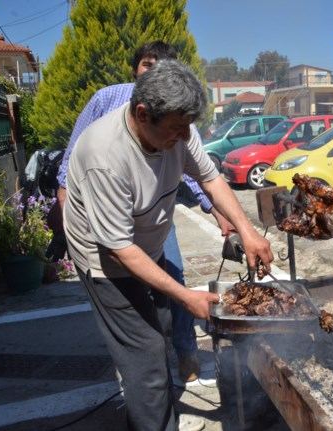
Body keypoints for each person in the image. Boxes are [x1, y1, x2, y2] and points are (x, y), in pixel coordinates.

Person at [63, 58, 273, 431]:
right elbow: (119, 249)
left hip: (148, 245)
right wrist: (185, 295)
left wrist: (248, 230)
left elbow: (210, 180)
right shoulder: (105, 156)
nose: (183, 137)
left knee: (159, 334)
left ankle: (155, 407)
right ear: (142, 113)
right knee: (143, 359)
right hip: (107, 262)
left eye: (187, 128)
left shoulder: (179, 130)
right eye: (176, 129)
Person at [56, 41, 234, 384]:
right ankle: (148, 385)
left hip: (151, 221)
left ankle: (178, 359)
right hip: (107, 244)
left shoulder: (179, 119)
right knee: (146, 350)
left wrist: (236, 221)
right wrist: (67, 224)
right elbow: (117, 245)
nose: (155, 72)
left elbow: (203, 175)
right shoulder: (105, 124)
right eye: (149, 64)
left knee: (167, 302)